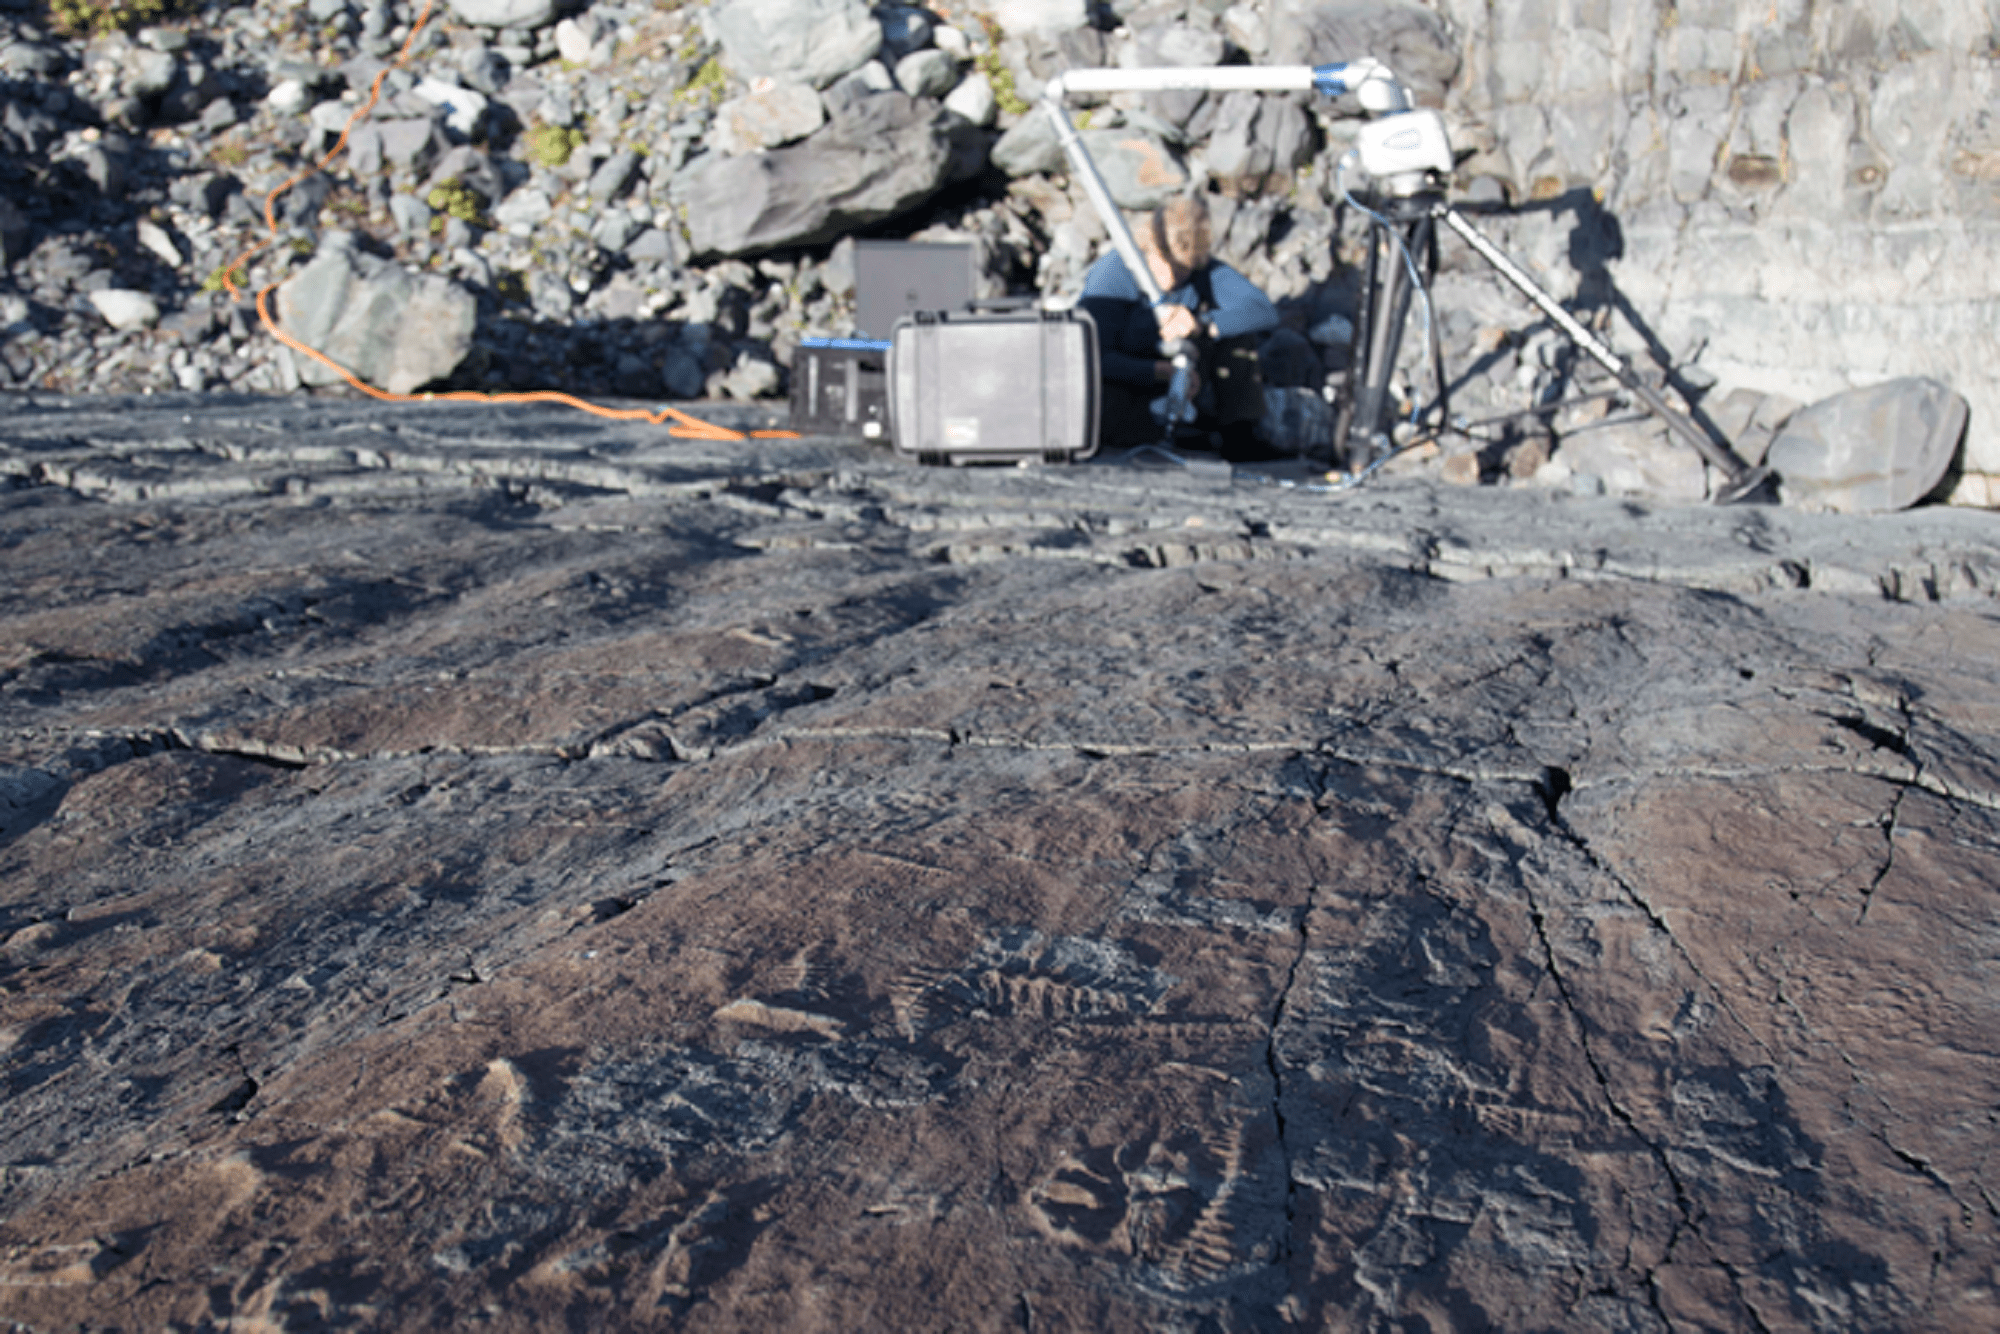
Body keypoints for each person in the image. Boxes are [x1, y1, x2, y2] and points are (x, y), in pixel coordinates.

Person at [1077, 193, 1281, 459]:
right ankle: (1161, 432)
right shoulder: (1112, 274)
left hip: (1182, 383)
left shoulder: (1202, 273)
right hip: (1122, 390)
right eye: (1165, 264)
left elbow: (1263, 310)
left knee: (1237, 337)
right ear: (1148, 249)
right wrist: (1159, 372)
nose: (1172, 277)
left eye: (1182, 269)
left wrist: (1204, 324)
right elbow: (1090, 358)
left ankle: (1239, 435)